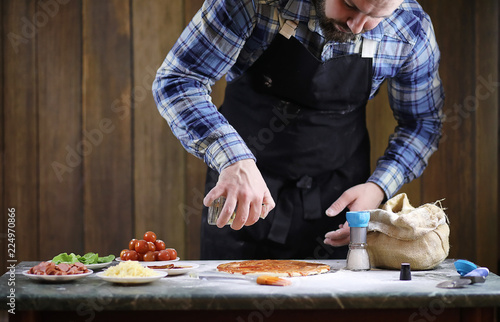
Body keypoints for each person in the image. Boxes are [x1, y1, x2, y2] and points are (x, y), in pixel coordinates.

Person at [152, 0, 444, 260]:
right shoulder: (255, 3)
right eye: (350, 6)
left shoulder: (410, 29)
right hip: (241, 194)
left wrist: (378, 187)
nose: (356, 26)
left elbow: (422, 124)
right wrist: (233, 158)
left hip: (337, 204)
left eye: (375, 17)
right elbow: (178, 80)